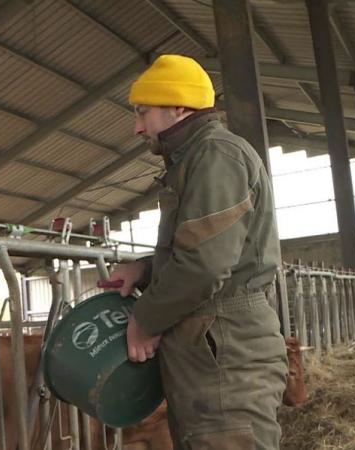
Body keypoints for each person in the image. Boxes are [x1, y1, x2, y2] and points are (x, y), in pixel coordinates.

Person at [109, 54, 288, 450]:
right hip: (210, 348)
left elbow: (205, 265)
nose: (137, 127)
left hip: (225, 347)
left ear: (178, 108)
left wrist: (146, 318)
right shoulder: (193, 159)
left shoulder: (216, 155)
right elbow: (204, 247)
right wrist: (145, 270)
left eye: (143, 113)